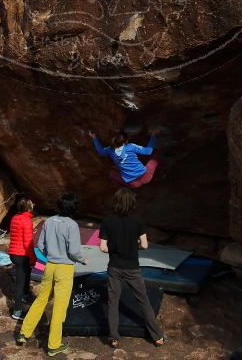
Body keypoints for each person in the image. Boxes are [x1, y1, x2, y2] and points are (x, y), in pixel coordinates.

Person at [16, 194, 88, 357]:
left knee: (41, 299)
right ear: (73, 208)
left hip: (50, 267)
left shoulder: (49, 221)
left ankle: (24, 332)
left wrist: (51, 255)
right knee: (59, 307)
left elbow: (40, 245)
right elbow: (74, 251)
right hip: (65, 269)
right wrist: (83, 260)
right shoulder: (72, 225)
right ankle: (54, 345)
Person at [100, 188, 166, 348]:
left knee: (113, 302)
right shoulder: (138, 221)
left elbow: (103, 247)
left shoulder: (108, 220)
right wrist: (132, 244)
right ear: (132, 203)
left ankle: (114, 337)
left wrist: (115, 247)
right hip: (132, 268)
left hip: (115, 266)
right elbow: (144, 245)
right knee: (143, 300)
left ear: (116, 202)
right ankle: (156, 336)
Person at [89, 129, 160, 188]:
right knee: (155, 158)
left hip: (133, 184)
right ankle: (162, 167)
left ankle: (123, 190)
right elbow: (148, 151)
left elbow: (100, 151)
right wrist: (153, 136)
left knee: (112, 174)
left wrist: (94, 138)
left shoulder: (109, 150)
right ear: (126, 141)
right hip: (146, 177)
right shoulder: (131, 146)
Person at [8, 196, 36, 320]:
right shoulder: (27, 221)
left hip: (14, 253)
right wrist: (33, 258)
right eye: (32, 205)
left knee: (26, 273)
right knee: (20, 282)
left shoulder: (15, 218)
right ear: (29, 208)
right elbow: (28, 243)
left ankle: (24, 295)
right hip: (21, 254)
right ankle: (17, 311)